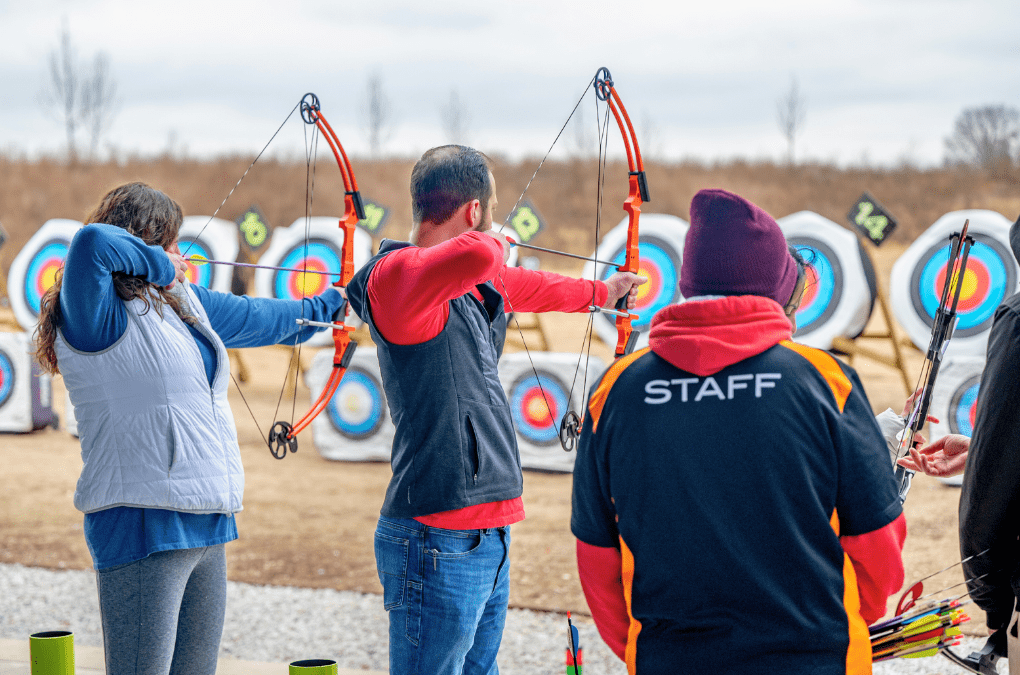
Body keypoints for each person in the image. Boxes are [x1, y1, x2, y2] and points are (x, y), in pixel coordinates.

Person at [569, 188, 906, 675]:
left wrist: (645, 650)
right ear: (777, 293)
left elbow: (596, 557)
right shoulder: (824, 381)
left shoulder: (616, 390)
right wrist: (842, 621)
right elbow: (879, 545)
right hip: (816, 658)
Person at [344, 145, 645, 675]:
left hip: (486, 532)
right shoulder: (398, 279)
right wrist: (493, 242)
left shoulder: (460, 282)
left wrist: (602, 291)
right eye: (489, 212)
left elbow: (523, 285)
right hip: (436, 534)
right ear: (473, 210)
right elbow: (485, 258)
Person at [34, 182, 346, 675]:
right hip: (141, 522)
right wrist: (161, 264)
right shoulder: (94, 311)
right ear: (143, 241)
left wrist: (334, 304)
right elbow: (91, 243)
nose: (181, 257)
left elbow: (265, 318)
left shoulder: (181, 304)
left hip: (207, 521)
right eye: (171, 243)